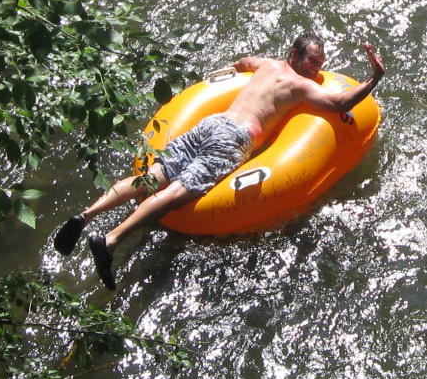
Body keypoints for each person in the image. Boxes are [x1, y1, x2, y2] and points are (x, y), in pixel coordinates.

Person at [52, 35, 385, 287]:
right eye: (312, 61)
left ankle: (85, 216)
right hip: (234, 138)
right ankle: (110, 240)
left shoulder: (269, 65)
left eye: (320, 63)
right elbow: (341, 102)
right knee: (181, 190)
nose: (317, 69)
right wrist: (374, 77)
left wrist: (247, 70)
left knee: (153, 176)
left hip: (211, 123)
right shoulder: (300, 85)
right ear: (295, 54)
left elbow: (242, 63)